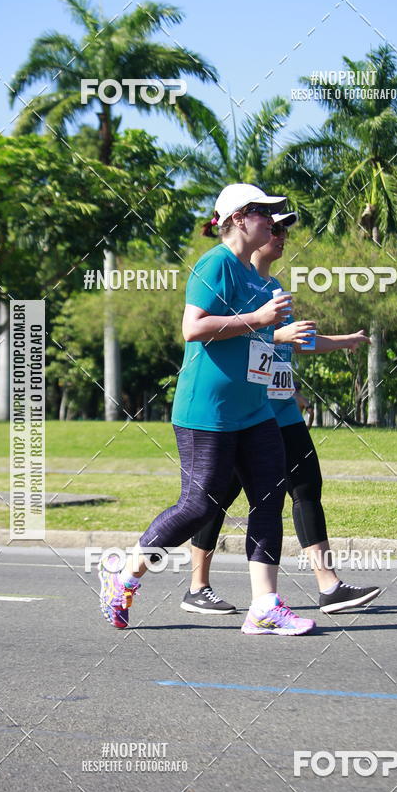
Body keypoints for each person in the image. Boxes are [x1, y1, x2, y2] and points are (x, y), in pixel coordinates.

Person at [99, 184, 316, 635]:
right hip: (208, 411)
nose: (273, 223)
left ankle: (265, 606)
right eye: (265, 214)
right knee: (199, 505)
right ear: (238, 218)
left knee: (269, 497)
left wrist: (275, 351)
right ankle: (124, 575)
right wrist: (259, 320)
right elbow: (192, 327)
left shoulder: (258, 277)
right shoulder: (215, 263)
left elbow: (259, 343)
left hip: (253, 409)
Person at [182, 213, 381, 616]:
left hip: (278, 407)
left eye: (285, 229)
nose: (281, 236)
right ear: (245, 229)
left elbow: (290, 345)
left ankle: (322, 587)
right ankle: (195, 585)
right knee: (213, 499)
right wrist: (272, 332)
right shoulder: (227, 273)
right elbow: (237, 335)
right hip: (246, 409)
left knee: (303, 485)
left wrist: (343, 343)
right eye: (275, 228)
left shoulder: (272, 286)